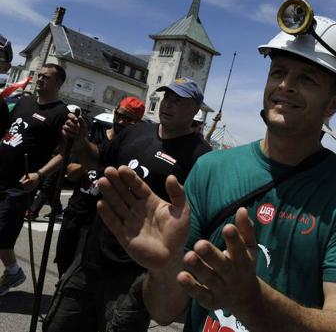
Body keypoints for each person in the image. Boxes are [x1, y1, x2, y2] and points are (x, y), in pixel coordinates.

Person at [96, 7, 336, 332]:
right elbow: (164, 312)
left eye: (306, 78)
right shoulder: (211, 169)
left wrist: (252, 301)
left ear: (333, 104)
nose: (285, 85)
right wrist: (165, 266)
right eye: (278, 72)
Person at [44, 79, 210, 332]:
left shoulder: (201, 156)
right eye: (166, 98)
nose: (168, 105)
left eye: (178, 101)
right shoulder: (136, 132)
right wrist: (79, 141)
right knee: (58, 326)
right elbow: (97, 159)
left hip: (135, 273)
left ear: (195, 109)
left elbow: (194, 216)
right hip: (91, 256)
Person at [54, 97, 145, 276]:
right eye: (119, 115)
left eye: (128, 119)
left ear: (137, 123)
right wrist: (95, 160)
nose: (120, 121)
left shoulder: (132, 149)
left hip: (99, 220)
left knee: (79, 270)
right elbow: (71, 173)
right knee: (63, 260)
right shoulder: (96, 137)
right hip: (75, 211)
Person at [0, 64, 67, 296]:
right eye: (39, 75)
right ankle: (13, 271)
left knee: (2, 234)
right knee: (3, 238)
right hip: (1, 173)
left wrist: (40, 175)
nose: (40, 79)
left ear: (59, 83)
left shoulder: (61, 113)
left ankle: (13, 271)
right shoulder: (24, 101)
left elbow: (64, 153)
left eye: (46, 77)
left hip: (20, 184)